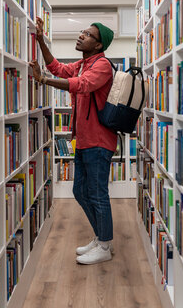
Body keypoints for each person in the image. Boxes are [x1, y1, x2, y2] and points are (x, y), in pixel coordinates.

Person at [29, 17, 117, 265]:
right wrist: (40, 40)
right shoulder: (83, 63)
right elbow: (57, 68)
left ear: (99, 45)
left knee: (97, 194)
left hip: (99, 141)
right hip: (84, 140)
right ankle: (101, 237)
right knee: (80, 190)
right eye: (82, 32)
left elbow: (81, 86)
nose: (81, 36)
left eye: (87, 35)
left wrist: (43, 80)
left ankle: (105, 245)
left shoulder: (102, 66)